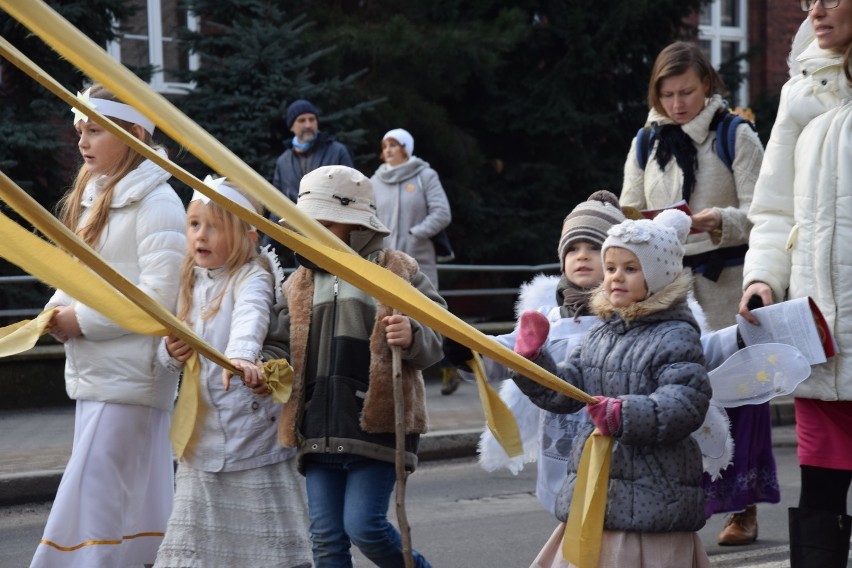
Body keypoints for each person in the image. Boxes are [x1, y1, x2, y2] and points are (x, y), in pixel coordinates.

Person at [620, 41, 776, 546]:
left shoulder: (736, 133)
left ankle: (743, 508)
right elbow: (629, 209)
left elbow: (764, 213)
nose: (677, 103)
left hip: (726, 285)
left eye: (686, 92)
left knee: (738, 397)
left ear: (707, 84)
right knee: (676, 400)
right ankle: (683, 505)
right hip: (667, 294)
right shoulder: (647, 139)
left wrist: (716, 221)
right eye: (667, 94)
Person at [30, 85, 186, 567]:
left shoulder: (157, 204)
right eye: (80, 130)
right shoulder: (98, 195)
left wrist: (84, 321)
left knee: (95, 493)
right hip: (100, 372)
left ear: (134, 134)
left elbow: (159, 297)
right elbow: (79, 274)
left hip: (134, 373)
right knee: (122, 496)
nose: (82, 141)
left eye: (95, 130)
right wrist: (56, 312)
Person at [261, 165, 446, 568]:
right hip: (316, 426)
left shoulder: (399, 270)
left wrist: (413, 334)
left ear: (355, 224)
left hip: (377, 424)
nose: (315, 232)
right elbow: (277, 344)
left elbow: (439, 332)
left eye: (326, 223)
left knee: (365, 526)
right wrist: (267, 367)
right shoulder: (297, 284)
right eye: (307, 223)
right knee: (325, 538)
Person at [512, 209, 713, 568]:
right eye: (611, 268)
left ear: (659, 276)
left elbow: (685, 403)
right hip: (599, 486)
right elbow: (564, 392)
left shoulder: (675, 334)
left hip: (654, 489)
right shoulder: (600, 333)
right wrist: (531, 362)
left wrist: (623, 413)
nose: (616, 277)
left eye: (630, 269)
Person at [738, 4, 852, 565]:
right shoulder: (799, 90)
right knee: (821, 497)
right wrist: (762, 280)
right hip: (821, 340)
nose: (816, 8)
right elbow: (776, 210)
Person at [152, 179, 311, 567]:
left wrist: (242, 357)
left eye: (214, 226)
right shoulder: (186, 279)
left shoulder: (251, 276)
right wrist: (169, 351)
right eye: (194, 225)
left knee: (266, 543)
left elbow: (251, 317)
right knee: (195, 538)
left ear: (247, 234)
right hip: (201, 432)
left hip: (251, 431)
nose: (200, 236)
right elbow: (169, 338)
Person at [445, 190, 626, 515]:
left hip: (616, 442)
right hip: (560, 442)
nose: (581, 256)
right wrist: (469, 349)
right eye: (572, 248)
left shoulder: (629, 318)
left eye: (594, 248)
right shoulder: (546, 318)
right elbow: (508, 352)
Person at [371, 128, 455, 393]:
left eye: (394, 145)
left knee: (431, 314)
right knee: (387, 317)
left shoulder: (425, 176)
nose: (388, 150)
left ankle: (448, 368)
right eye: (385, 146)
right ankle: (390, 376)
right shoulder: (374, 180)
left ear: (407, 147)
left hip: (418, 260)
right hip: (383, 263)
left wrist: (415, 234)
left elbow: (442, 212)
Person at [264, 99, 354, 259]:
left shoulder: (337, 151)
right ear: (291, 126)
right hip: (301, 243)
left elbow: (354, 194)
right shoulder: (283, 162)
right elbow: (276, 207)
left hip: (336, 240)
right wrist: (265, 249)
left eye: (312, 119)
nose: (308, 125)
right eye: (301, 120)